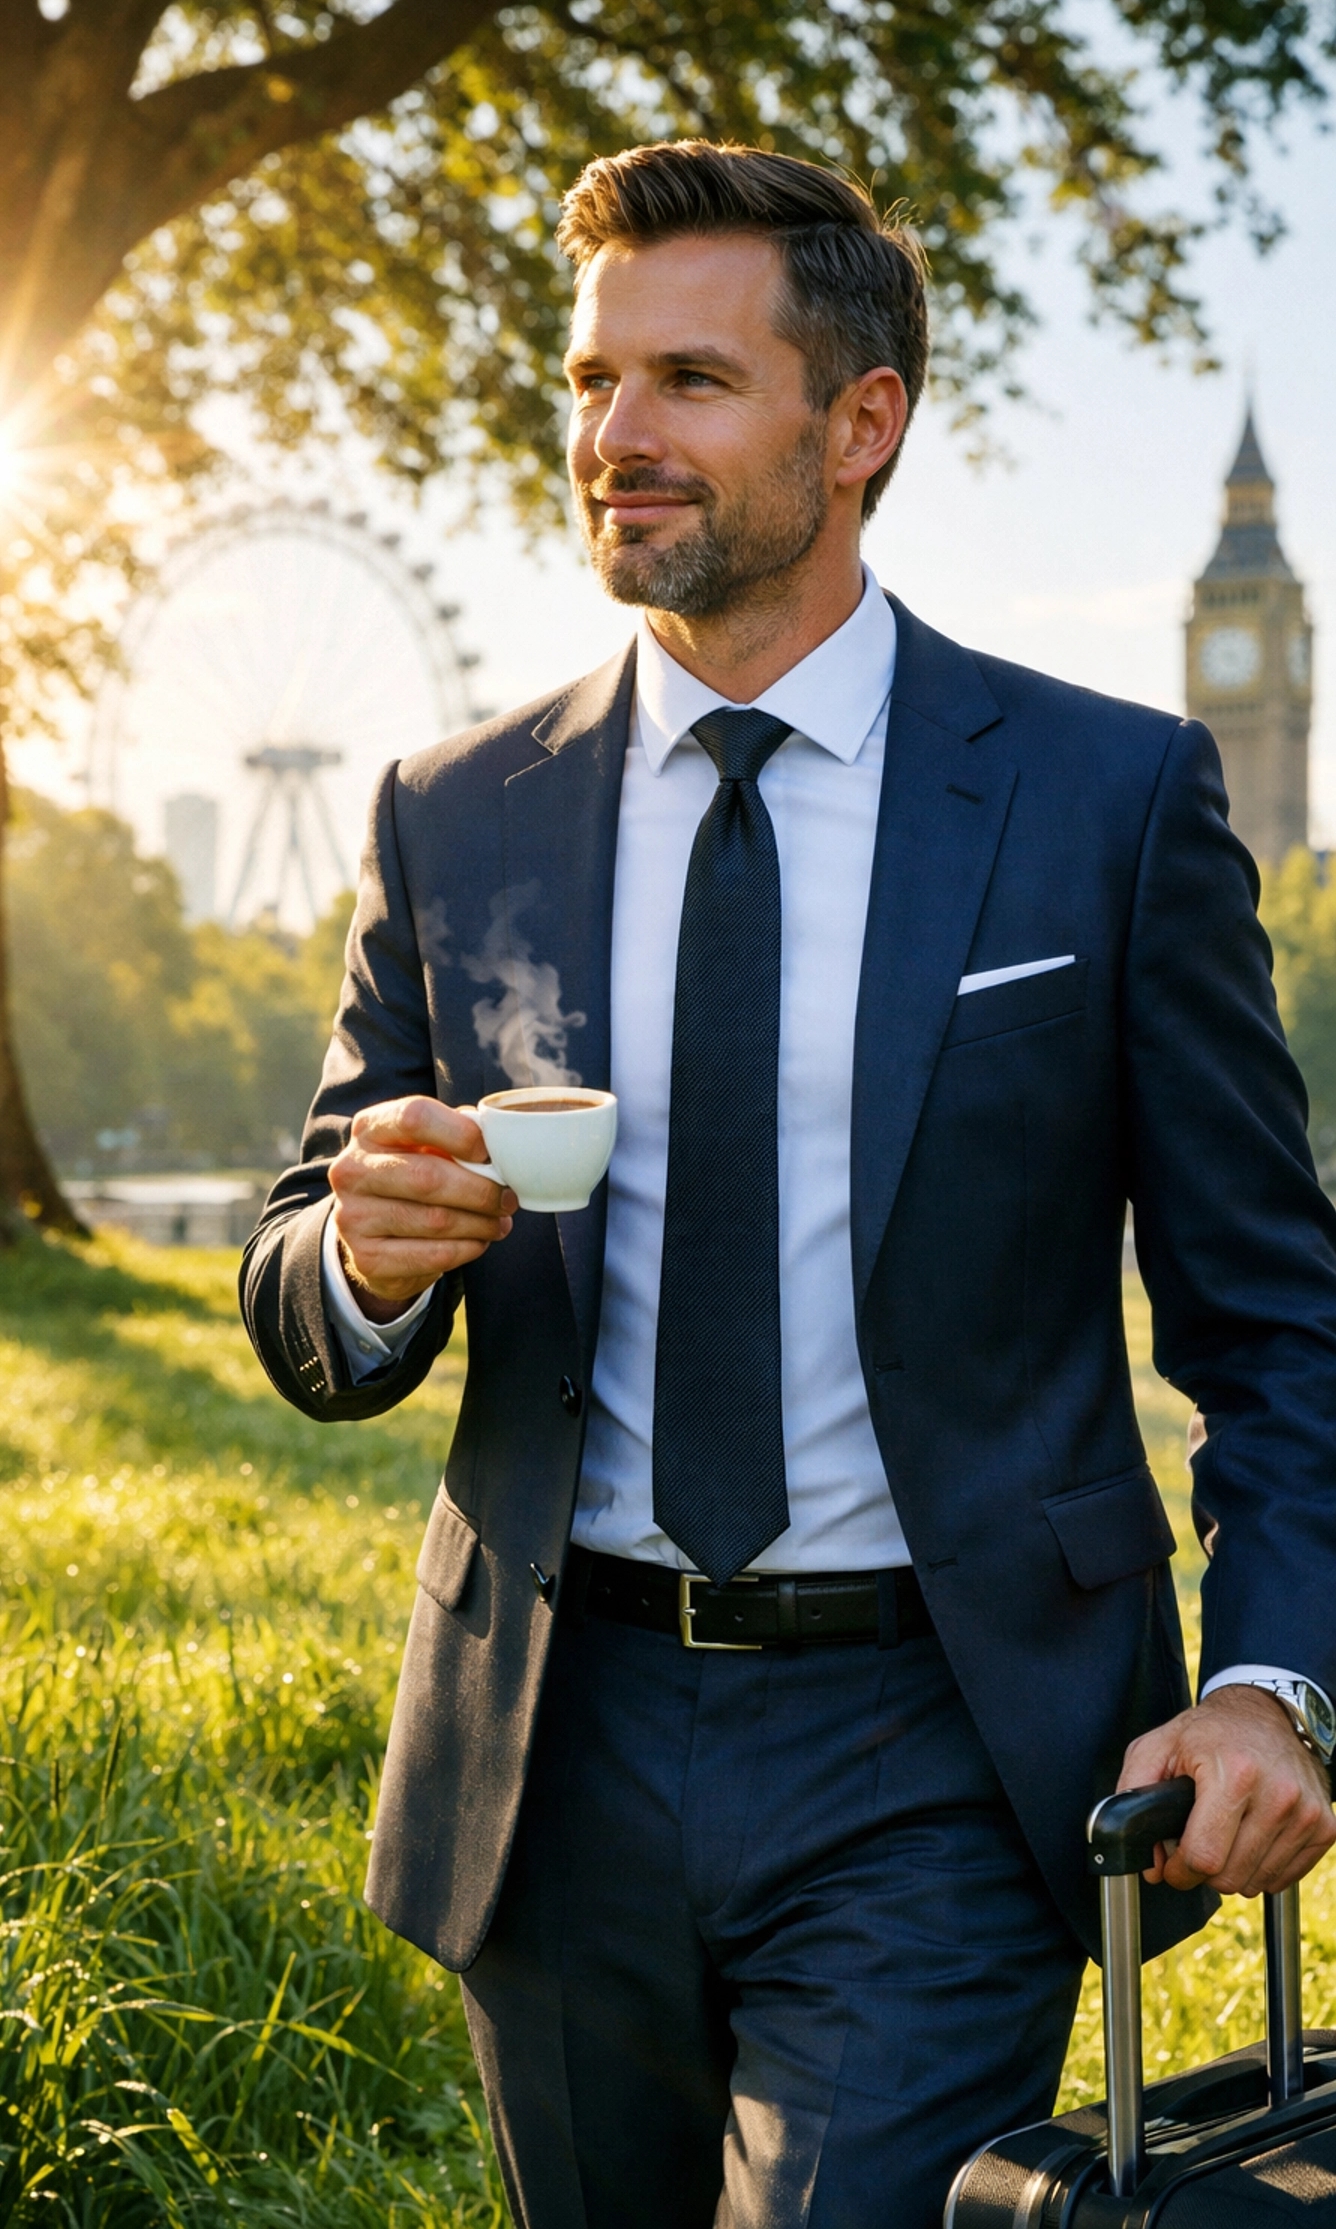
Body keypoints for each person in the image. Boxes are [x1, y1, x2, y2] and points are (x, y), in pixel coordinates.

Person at [240, 141, 1336, 2229]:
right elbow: (308, 1275)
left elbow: (1277, 1316)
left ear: (862, 427)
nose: (612, 440)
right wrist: (363, 1262)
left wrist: (1275, 1679)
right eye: (586, 384)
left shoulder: (1105, 802)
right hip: (547, 1743)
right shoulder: (453, 813)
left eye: (685, 382)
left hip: (944, 1739)